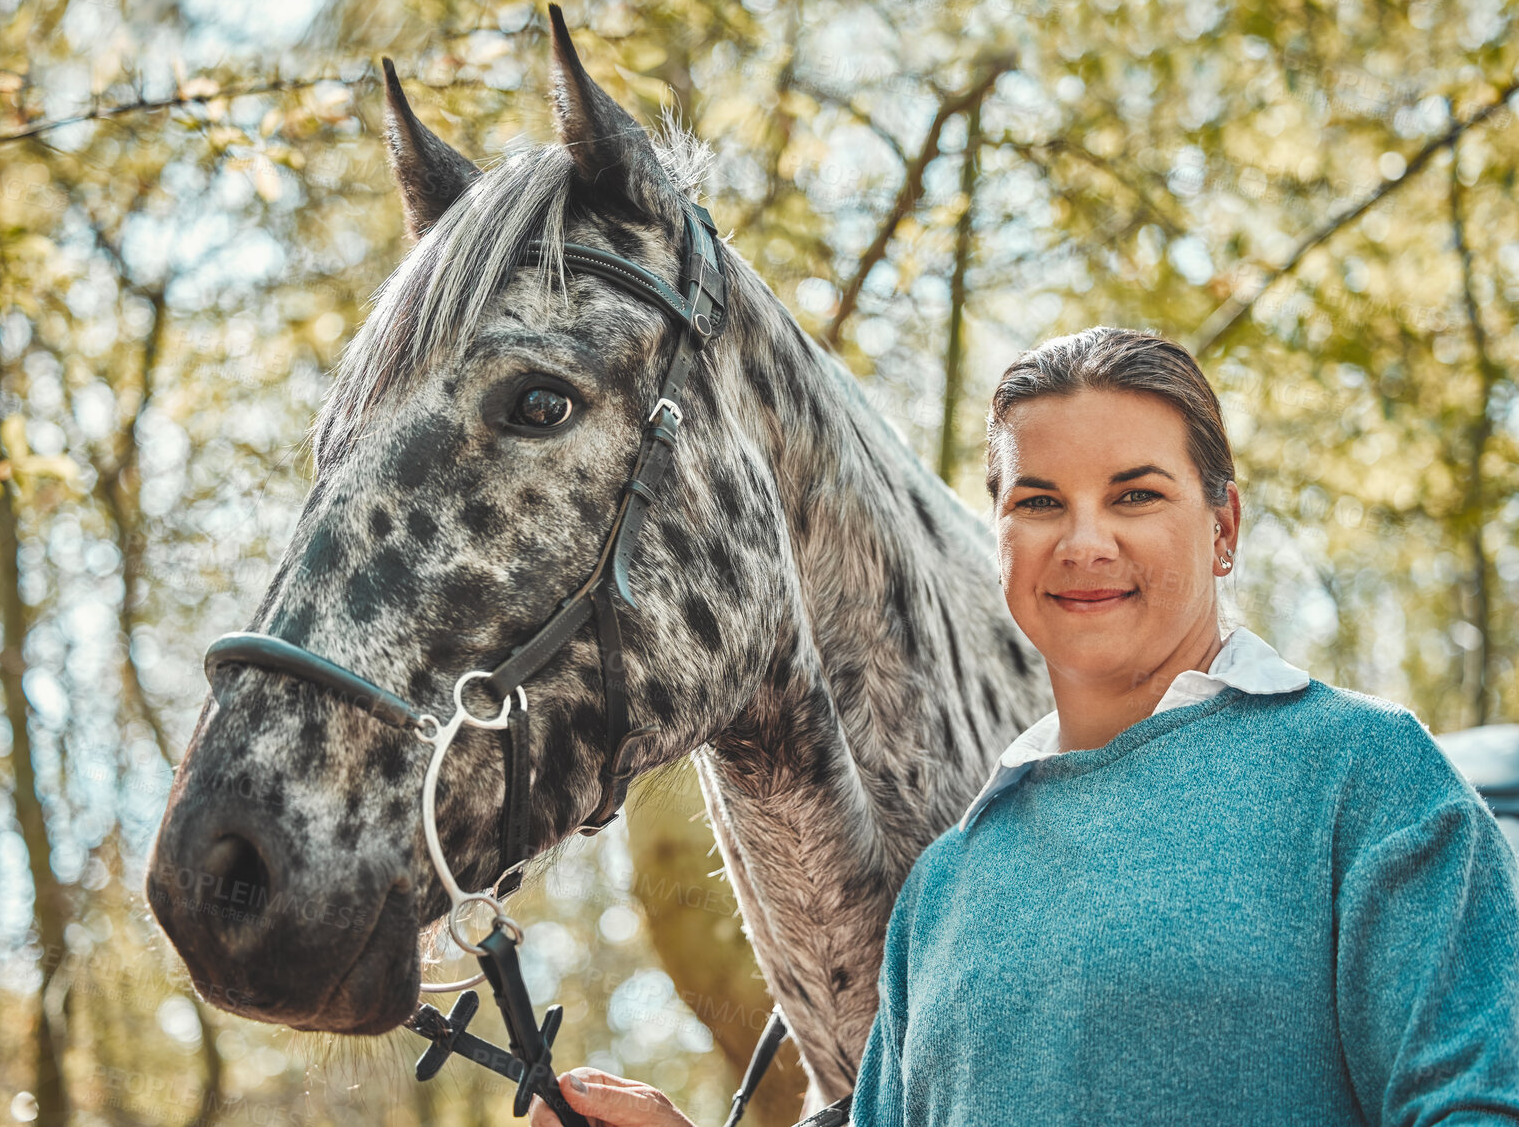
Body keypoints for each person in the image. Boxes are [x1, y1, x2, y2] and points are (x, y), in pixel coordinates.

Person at [533, 326, 1519, 1127]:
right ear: (1000, 535)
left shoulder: (1363, 775)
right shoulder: (948, 885)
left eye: (1134, 495)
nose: (1085, 541)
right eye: (1040, 501)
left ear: (1222, 527)